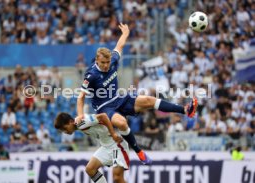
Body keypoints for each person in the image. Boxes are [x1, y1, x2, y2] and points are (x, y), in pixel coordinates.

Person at [77, 23, 198, 164]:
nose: (106, 65)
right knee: (122, 122)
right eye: (103, 62)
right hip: (104, 108)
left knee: (149, 100)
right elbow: (81, 98)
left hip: (118, 98)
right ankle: (138, 151)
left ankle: (185, 110)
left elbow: (119, 46)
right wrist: (80, 116)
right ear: (97, 60)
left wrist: (125, 33)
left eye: (108, 62)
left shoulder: (113, 61)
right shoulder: (91, 75)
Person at [54, 112, 128, 183]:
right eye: (62, 130)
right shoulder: (79, 125)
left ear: (70, 122)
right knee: (90, 169)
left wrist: (113, 134)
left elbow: (103, 116)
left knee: (117, 178)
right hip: (106, 147)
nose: (65, 132)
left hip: (117, 144)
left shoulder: (81, 122)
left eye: (65, 128)